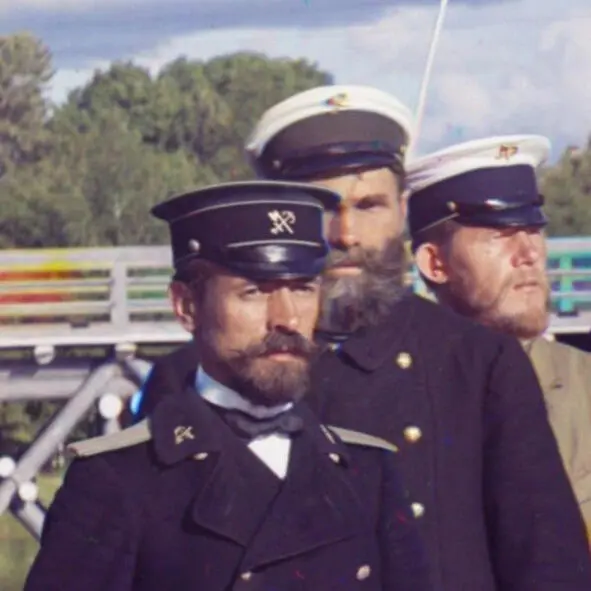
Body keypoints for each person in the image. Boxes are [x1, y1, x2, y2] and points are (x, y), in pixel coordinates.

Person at [131, 85, 591, 589]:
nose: (346, 234)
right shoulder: (191, 377)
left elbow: (549, 567)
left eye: (370, 205)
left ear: (403, 213)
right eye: (324, 208)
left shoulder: (479, 364)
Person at [24, 180, 432, 591]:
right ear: (186, 307)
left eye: (303, 289)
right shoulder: (118, 480)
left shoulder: (367, 471)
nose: (287, 318)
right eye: (254, 292)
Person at [405, 134, 591, 546]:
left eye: (533, 229)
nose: (529, 254)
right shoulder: (396, 396)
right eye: (500, 235)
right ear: (435, 263)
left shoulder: (584, 386)